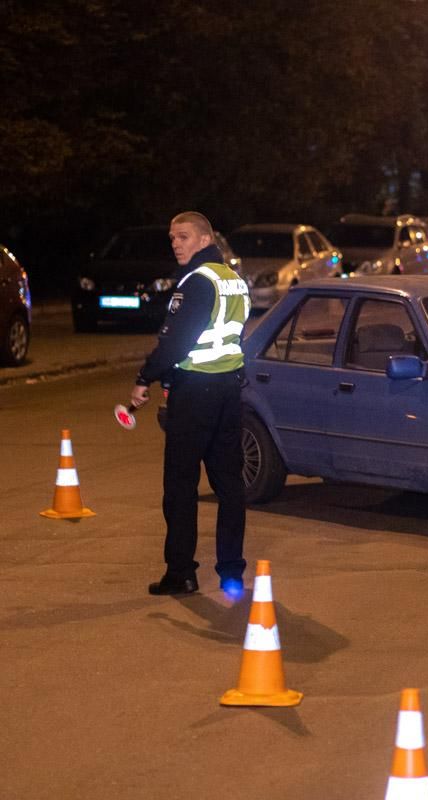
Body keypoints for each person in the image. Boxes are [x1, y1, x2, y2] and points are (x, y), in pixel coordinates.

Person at [130, 211, 251, 598]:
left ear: (204, 239)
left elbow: (176, 341)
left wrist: (144, 378)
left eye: (183, 237)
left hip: (195, 393)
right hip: (229, 391)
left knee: (180, 486)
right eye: (172, 238)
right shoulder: (234, 280)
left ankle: (181, 572)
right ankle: (231, 572)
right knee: (229, 484)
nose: (176, 244)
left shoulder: (197, 282)